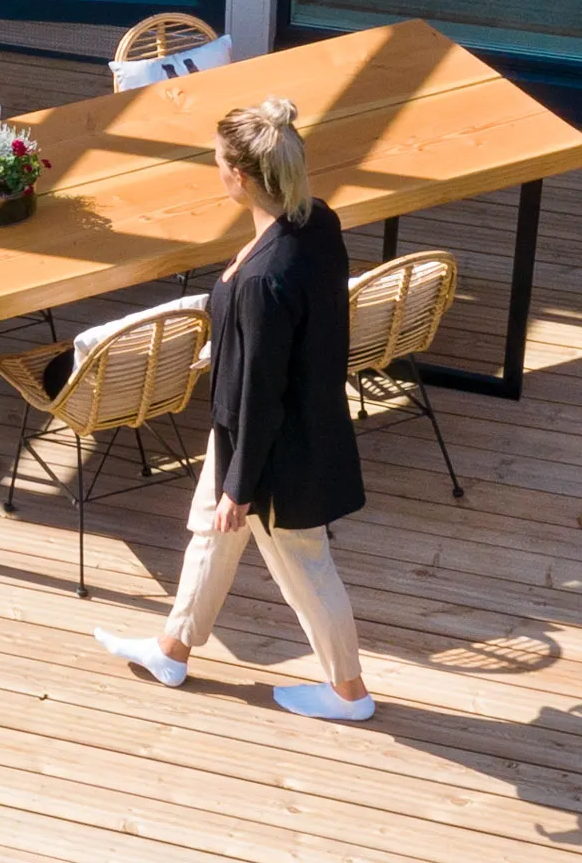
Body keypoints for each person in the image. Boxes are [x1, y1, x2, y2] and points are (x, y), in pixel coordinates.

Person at [95, 97, 375, 721]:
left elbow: (262, 392)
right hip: (261, 430)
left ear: (241, 177)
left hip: (275, 453)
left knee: (305, 568)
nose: (216, 170)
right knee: (209, 537)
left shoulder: (262, 281)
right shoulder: (314, 223)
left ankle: (349, 693)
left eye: (219, 162)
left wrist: (240, 488)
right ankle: (172, 650)